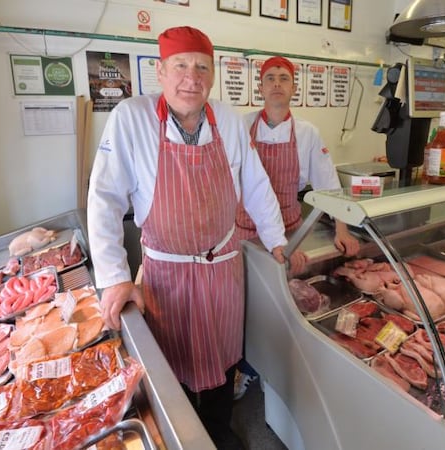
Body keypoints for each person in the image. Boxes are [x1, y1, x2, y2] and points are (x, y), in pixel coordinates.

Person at [87, 26, 288, 449]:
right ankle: (180, 436)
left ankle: (217, 430)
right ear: (160, 72)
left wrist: (276, 241)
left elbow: (256, 185)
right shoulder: (131, 117)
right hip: (166, 271)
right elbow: (104, 198)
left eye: (201, 67)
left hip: (223, 265)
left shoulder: (229, 120)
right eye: (180, 66)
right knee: (170, 359)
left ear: (212, 76)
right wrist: (115, 277)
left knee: (222, 352)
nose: (190, 78)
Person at [232, 56, 361, 400]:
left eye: (284, 78)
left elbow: (328, 185)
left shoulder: (307, 133)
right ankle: (245, 366)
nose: (277, 84)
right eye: (270, 78)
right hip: (244, 232)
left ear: (294, 88)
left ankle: (275, 370)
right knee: (246, 304)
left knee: (282, 303)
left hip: (288, 233)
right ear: (260, 87)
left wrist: (342, 230)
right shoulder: (240, 127)